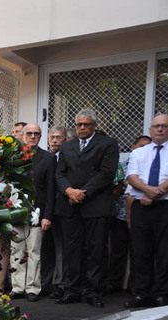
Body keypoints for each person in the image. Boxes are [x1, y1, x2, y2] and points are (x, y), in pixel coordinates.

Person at [54, 109, 119, 308]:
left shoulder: (108, 144)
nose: (82, 128)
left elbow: (106, 174)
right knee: (71, 250)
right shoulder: (67, 146)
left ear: (95, 126)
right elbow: (59, 173)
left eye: (87, 124)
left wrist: (82, 193)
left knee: (96, 250)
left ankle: (93, 291)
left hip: (96, 205)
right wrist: (69, 191)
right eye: (79, 124)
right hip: (70, 206)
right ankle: (72, 289)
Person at [124, 115, 168, 308]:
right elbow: (132, 177)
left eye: (164, 126)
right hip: (141, 206)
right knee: (141, 251)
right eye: (156, 126)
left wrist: (155, 194)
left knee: (164, 252)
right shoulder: (139, 153)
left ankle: (161, 294)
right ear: (150, 130)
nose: (160, 129)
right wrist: (151, 191)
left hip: (165, 207)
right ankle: (142, 293)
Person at [9, 123, 55, 302]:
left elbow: (51, 189)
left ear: (41, 136)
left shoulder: (48, 158)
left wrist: (47, 215)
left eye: (36, 133)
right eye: (29, 133)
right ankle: (17, 287)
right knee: (16, 250)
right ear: (22, 135)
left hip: (38, 211)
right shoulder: (13, 156)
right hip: (16, 211)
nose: (33, 136)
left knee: (34, 252)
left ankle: (33, 288)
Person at [109, 135, 151, 294]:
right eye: (141, 146)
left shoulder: (149, 168)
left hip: (140, 215)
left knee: (138, 251)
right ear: (133, 147)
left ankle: (135, 285)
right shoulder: (121, 166)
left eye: (148, 146)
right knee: (117, 251)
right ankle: (114, 283)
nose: (144, 150)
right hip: (119, 215)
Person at [44, 125, 68, 298]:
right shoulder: (45, 158)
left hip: (63, 208)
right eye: (52, 137)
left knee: (61, 247)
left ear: (66, 139)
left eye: (58, 137)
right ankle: (45, 282)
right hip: (45, 209)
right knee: (46, 247)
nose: (54, 140)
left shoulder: (69, 157)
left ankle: (60, 283)